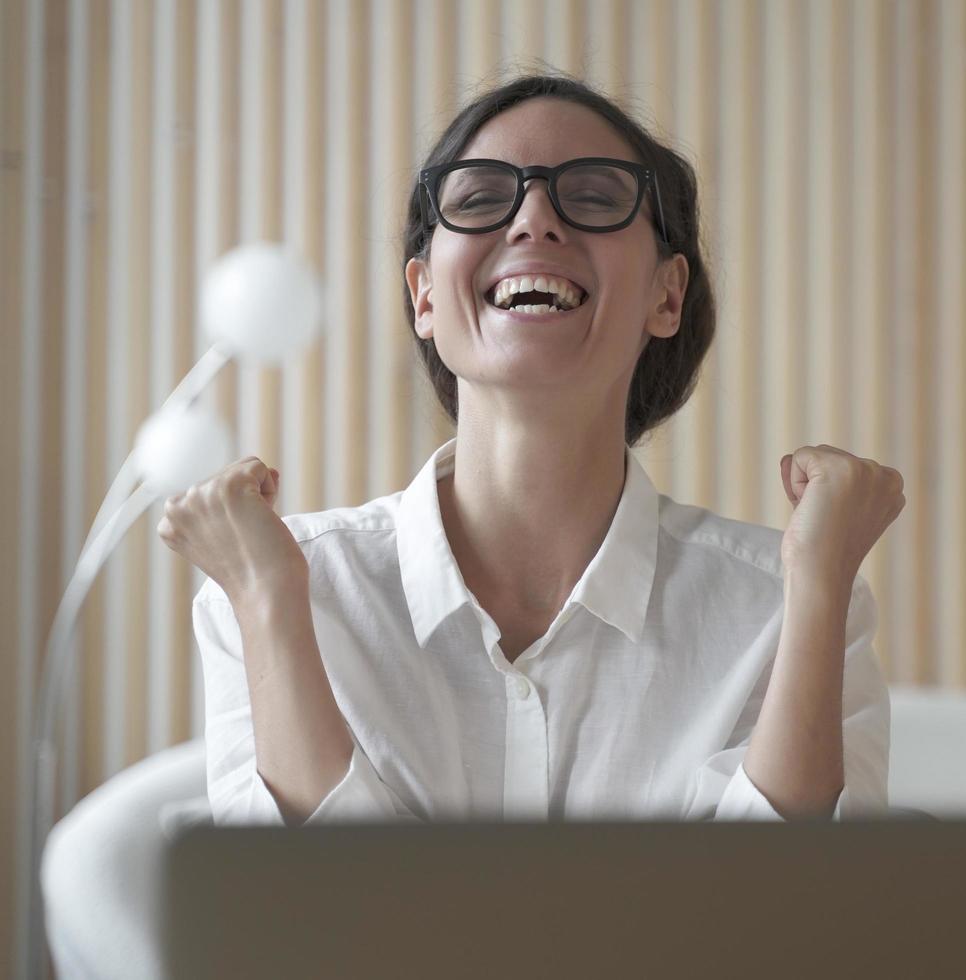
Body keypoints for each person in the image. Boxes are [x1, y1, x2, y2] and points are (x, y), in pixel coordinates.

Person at [157, 72, 906, 827]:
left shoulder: (785, 606)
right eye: (481, 199)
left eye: (594, 196)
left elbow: (794, 922)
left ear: (666, 296)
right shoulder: (274, 587)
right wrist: (267, 602)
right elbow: (298, 926)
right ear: (423, 296)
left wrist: (814, 589)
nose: (534, 221)